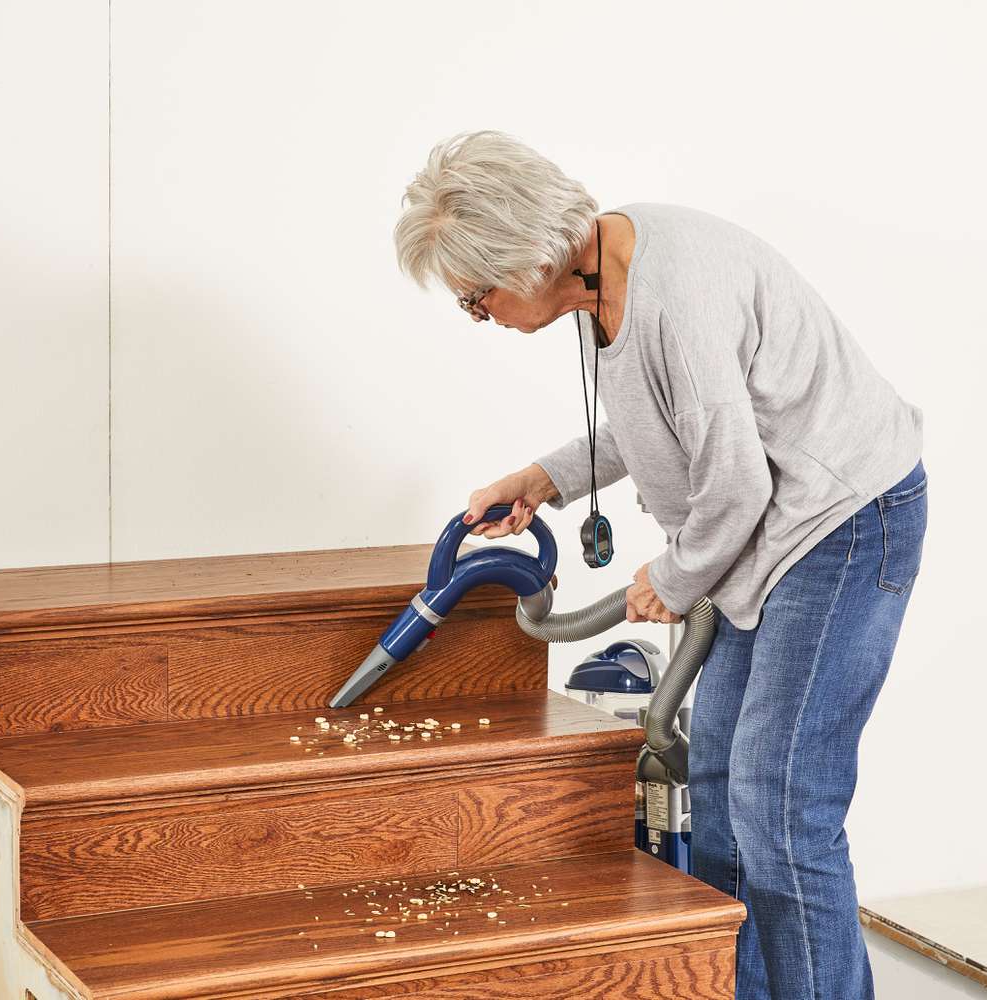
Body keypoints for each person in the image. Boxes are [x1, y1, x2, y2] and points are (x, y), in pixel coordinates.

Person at [393, 130, 927, 1000]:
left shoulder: (675, 293)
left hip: (841, 521)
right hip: (766, 532)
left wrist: (669, 579)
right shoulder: (603, 277)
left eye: (475, 299)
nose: (479, 316)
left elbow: (738, 485)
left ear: (525, 259)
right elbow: (657, 417)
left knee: (782, 809)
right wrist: (544, 479)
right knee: (716, 788)